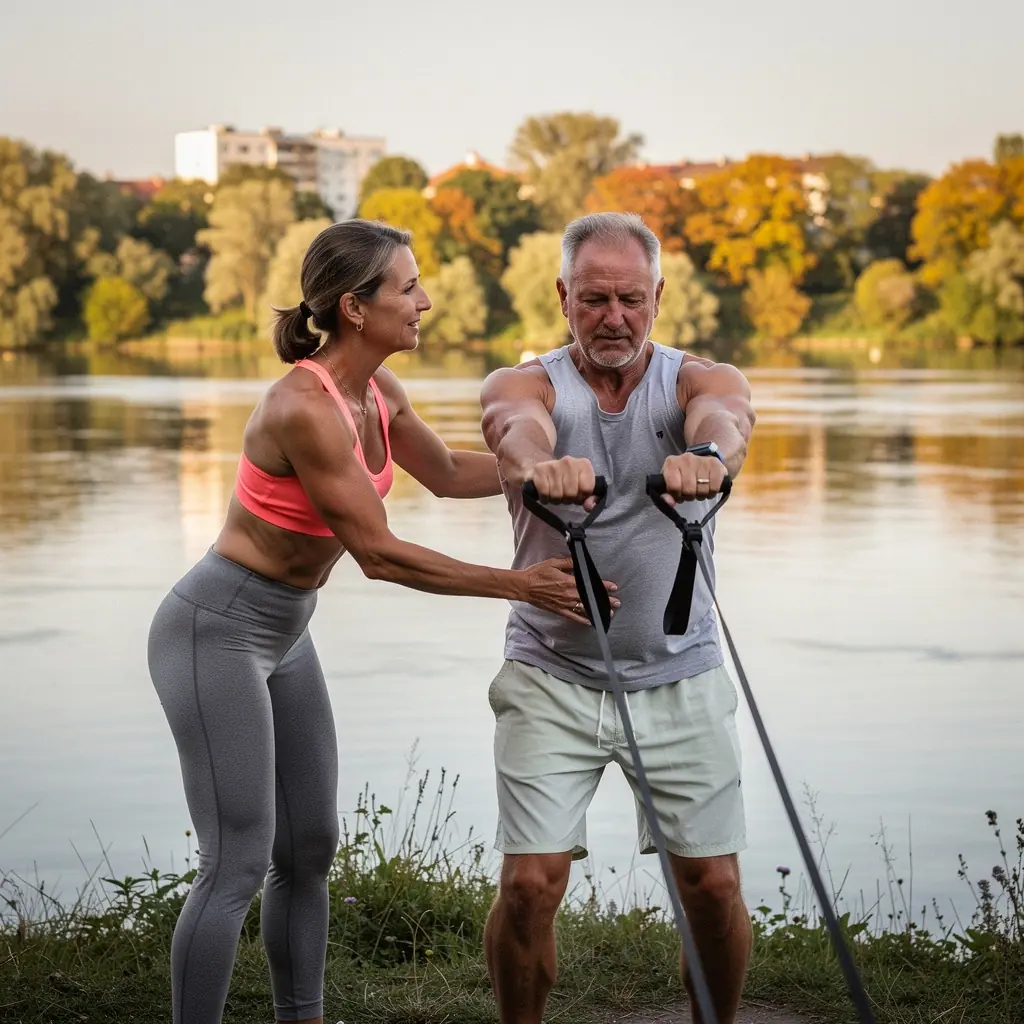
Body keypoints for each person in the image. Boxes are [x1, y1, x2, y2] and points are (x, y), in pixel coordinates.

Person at [147, 219, 616, 1024]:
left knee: (310, 848)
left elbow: (447, 473)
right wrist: (520, 585)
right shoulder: (303, 407)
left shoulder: (378, 392)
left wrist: (551, 469)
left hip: (287, 632)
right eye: (408, 287)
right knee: (237, 861)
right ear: (355, 307)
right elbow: (380, 554)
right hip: (215, 627)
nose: (425, 300)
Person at [478, 212, 757, 1024]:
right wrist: (541, 467)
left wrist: (705, 460)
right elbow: (511, 428)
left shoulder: (696, 379)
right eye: (594, 299)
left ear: (658, 297)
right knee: (530, 884)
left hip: (680, 673)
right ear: (563, 297)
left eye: (630, 299)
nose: (614, 318)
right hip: (551, 675)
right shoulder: (525, 382)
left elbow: (726, 420)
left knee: (712, 885)